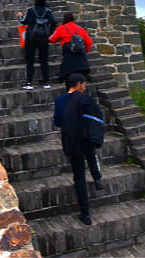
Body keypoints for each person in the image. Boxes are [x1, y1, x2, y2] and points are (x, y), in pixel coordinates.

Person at [54, 72, 105, 226]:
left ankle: (85, 214)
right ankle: (97, 178)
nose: (84, 87)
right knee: (91, 154)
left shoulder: (60, 100)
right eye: (83, 84)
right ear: (77, 84)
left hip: (72, 140)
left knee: (79, 177)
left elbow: (57, 121)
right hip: (87, 138)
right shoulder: (85, 99)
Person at [17, 0, 55, 90]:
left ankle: (29, 82)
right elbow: (53, 22)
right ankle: (46, 82)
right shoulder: (48, 12)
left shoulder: (31, 11)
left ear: (35, 1)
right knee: (44, 60)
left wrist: (19, 16)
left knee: (30, 61)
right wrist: (50, 33)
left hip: (31, 38)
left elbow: (24, 21)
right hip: (43, 38)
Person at [50, 12, 93, 85]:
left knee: (70, 80)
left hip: (69, 59)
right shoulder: (81, 29)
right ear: (73, 19)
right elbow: (89, 42)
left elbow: (52, 40)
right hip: (81, 59)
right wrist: (85, 51)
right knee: (81, 81)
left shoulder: (61, 28)